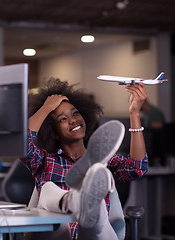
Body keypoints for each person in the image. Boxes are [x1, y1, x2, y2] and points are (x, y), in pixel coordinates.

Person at [21, 78, 148, 240]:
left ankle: (87, 205)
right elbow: (22, 144)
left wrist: (135, 113)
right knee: (47, 190)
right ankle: (72, 201)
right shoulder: (45, 161)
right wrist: (46, 108)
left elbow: (138, 168)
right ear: (53, 131)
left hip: (95, 235)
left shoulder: (103, 159)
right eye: (63, 119)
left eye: (75, 113)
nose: (73, 120)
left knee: (93, 220)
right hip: (59, 235)